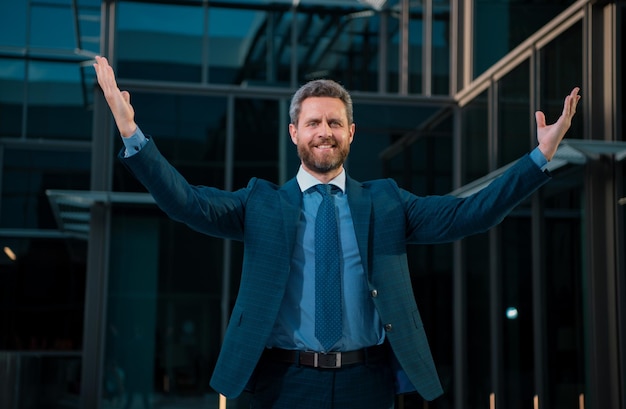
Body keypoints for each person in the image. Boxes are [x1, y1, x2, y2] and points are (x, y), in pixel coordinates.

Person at [93, 55, 580, 409]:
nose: (323, 130)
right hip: (282, 383)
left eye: (333, 122)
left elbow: (471, 214)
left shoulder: (387, 201)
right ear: (294, 133)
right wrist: (132, 134)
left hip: (366, 383)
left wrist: (539, 159)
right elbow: (186, 203)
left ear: (350, 133)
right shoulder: (261, 202)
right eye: (313, 123)